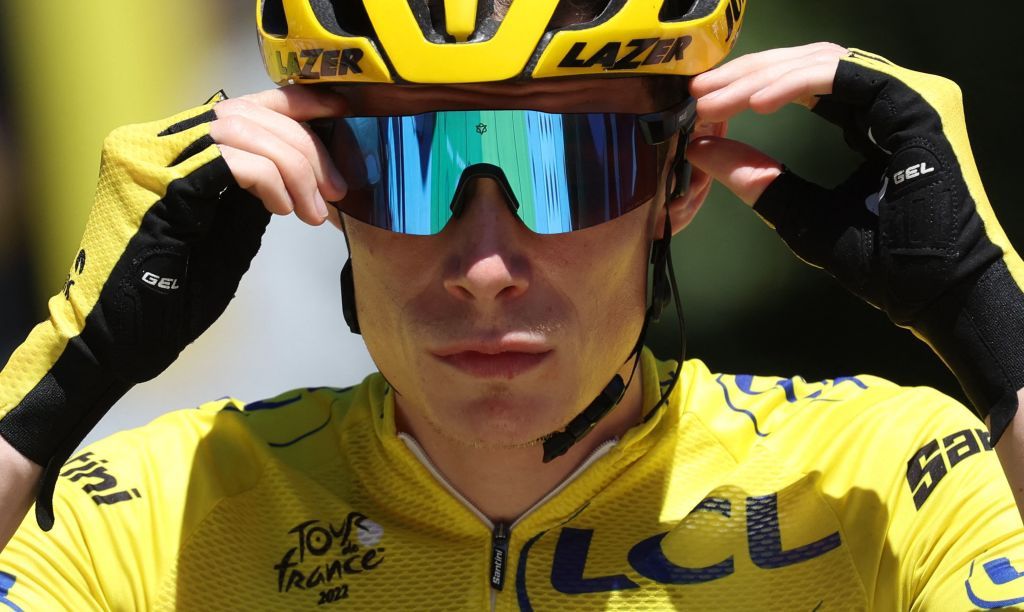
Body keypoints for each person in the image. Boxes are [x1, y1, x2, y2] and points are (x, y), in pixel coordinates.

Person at [2, 0, 1024, 609]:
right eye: (408, 166)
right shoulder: (150, 518)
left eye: (568, 167)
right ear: (319, 186)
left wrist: (990, 325)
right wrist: (56, 391)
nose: (485, 267)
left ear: (679, 183)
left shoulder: (884, 486)